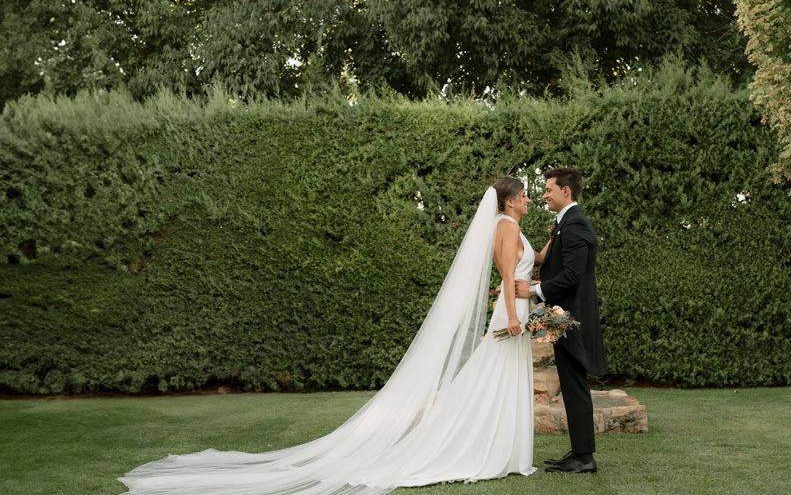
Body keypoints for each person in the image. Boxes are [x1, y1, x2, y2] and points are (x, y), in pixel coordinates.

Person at [120, 177, 538, 494]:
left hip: (518, 307)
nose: (526, 198)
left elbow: (528, 262)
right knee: (489, 377)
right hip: (510, 314)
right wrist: (513, 317)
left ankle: (501, 447)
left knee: (499, 377)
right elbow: (505, 272)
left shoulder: (512, 226)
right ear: (506, 200)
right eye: (521, 194)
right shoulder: (503, 226)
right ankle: (478, 444)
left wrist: (554, 246)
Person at [516, 167, 606, 474]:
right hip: (561, 319)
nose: (544, 195)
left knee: (575, 385)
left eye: (549, 189)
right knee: (570, 384)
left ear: (565, 191)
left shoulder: (576, 224)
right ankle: (580, 451)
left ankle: (584, 458)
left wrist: (534, 290)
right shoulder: (564, 224)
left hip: (571, 320)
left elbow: (573, 275)